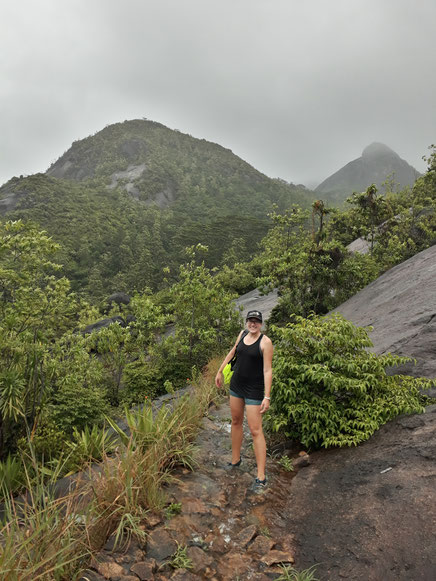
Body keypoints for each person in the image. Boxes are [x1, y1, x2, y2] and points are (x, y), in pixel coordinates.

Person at [215, 310, 273, 490]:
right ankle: (235, 460)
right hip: (236, 385)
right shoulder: (242, 334)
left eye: (256, 321)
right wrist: (220, 370)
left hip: (254, 389)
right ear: (247, 322)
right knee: (235, 421)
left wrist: (267, 396)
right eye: (250, 321)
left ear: (261, 324)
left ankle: (261, 476)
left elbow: (268, 370)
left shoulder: (265, 342)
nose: (253, 324)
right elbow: (233, 352)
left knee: (256, 430)